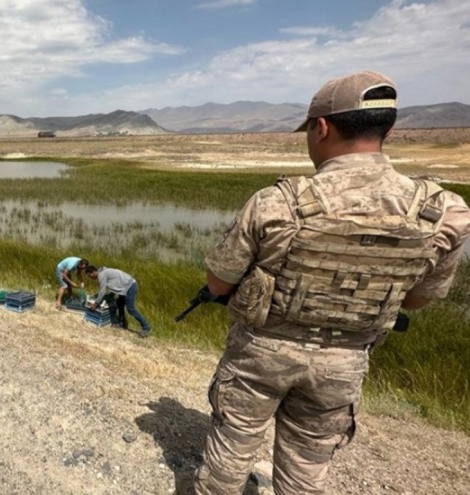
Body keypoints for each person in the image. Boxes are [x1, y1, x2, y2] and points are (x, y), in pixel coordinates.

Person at [193, 71, 470, 494]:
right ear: (388, 129)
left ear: (321, 127)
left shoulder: (276, 201)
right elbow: (415, 301)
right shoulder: (444, 210)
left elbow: (218, 281)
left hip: (259, 356)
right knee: (307, 465)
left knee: (232, 449)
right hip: (344, 362)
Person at [84, 265, 151, 337]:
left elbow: (102, 291)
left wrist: (96, 304)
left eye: (89, 275)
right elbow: (114, 282)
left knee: (131, 309)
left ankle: (146, 327)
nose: (90, 278)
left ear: (93, 272)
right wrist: (111, 295)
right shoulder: (103, 272)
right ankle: (122, 324)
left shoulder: (101, 275)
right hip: (125, 287)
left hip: (130, 287)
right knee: (119, 304)